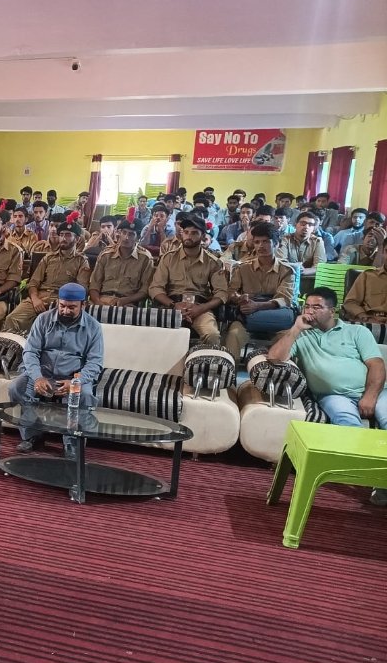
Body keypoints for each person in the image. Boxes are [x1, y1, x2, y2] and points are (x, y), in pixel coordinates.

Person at [268, 287, 387, 506]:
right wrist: (295, 329)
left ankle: (383, 482)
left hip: (375, 392)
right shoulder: (302, 336)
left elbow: (377, 365)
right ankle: (375, 480)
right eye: (307, 306)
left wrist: (370, 396)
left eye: (317, 307)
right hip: (333, 395)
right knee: (349, 425)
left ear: (332, 311)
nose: (310, 311)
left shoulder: (357, 332)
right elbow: (274, 359)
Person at [8, 283, 104, 453]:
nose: (66, 311)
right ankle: (32, 436)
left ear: (84, 305)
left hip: (72, 377)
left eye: (72, 307)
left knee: (85, 396)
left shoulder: (93, 327)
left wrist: (75, 381)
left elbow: (95, 363)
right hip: (43, 374)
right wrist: (37, 377)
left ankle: (72, 445)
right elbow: (30, 352)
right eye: (62, 306)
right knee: (18, 387)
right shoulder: (43, 319)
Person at [148, 215, 228, 346]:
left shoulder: (213, 262)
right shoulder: (168, 258)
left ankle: (201, 365)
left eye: (194, 233)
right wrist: (174, 305)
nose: (189, 236)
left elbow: (222, 293)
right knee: (152, 334)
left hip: (199, 307)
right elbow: (155, 288)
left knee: (212, 335)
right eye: (186, 232)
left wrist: (202, 308)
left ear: (203, 237)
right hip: (171, 306)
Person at [222, 223, 296, 362]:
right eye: (257, 242)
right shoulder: (243, 268)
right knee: (233, 334)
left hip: (276, 320)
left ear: (277, 244)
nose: (261, 246)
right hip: (247, 319)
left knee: (289, 338)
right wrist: (239, 298)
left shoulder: (286, 270)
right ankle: (230, 378)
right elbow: (231, 292)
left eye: (266, 241)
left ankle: (277, 379)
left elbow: (285, 298)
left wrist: (257, 306)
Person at [4, 221, 91, 335]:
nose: (63, 238)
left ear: (78, 239)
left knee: (52, 327)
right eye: (61, 234)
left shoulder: (81, 261)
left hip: (62, 301)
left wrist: (60, 302)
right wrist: (35, 299)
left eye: (68, 235)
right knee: (12, 319)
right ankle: (16, 350)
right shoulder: (48, 258)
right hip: (39, 297)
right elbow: (33, 283)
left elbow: (81, 289)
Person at [88, 220, 154, 306]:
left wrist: (126, 300)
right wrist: (97, 302)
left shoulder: (145, 258)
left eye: (131, 234)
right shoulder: (106, 255)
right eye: (124, 233)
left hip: (127, 302)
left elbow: (145, 290)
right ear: (119, 234)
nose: (126, 237)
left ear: (138, 238)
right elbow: (94, 284)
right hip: (102, 299)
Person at [342, 249, 387, 324]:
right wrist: (364, 317)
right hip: (368, 321)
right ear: (382, 253)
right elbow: (350, 303)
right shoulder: (367, 276)